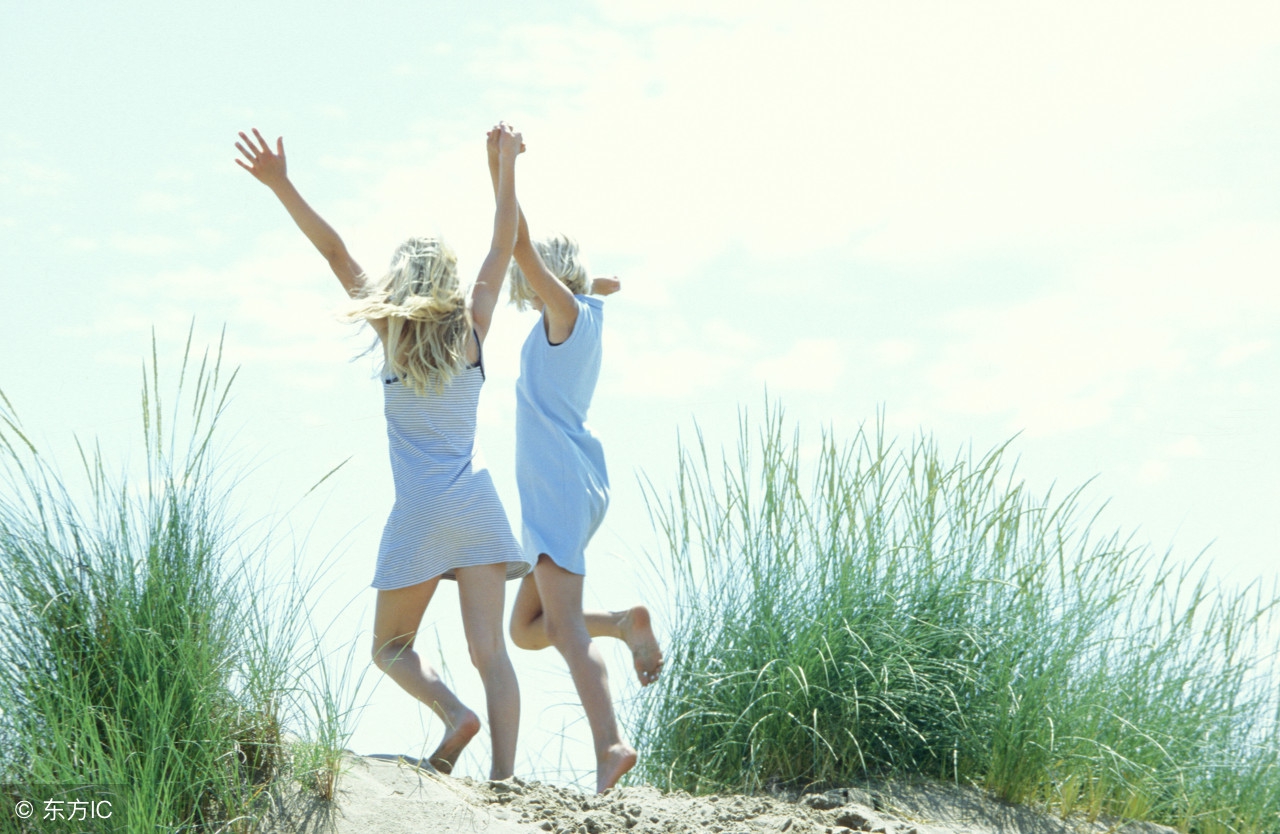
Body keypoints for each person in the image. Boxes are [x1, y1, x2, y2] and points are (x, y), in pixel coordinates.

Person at [235, 124, 531, 780]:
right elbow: (503, 240)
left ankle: (455, 716)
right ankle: (506, 781)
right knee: (492, 654)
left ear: (402, 279)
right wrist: (504, 163)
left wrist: (281, 183)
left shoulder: (391, 329)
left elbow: (336, 251)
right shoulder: (474, 324)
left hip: (422, 509)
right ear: (450, 278)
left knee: (390, 646)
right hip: (477, 502)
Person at [484, 132, 663, 793]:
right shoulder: (587, 310)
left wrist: (502, 170)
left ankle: (611, 743)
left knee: (558, 625)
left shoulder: (564, 316)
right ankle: (621, 624)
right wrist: (495, 170)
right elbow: (587, 278)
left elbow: (521, 246)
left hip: (560, 486)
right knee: (528, 628)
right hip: (564, 490)